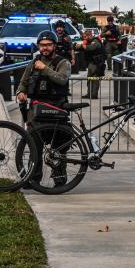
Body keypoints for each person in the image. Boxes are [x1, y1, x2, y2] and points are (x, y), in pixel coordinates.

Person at [16, 30, 71, 186]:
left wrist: (45, 69)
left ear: (54, 45)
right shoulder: (33, 63)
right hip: (36, 110)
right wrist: (20, 92)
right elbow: (23, 82)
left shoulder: (63, 62)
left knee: (59, 147)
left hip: (57, 108)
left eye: (48, 45)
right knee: (34, 146)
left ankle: (59, 179)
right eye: (42, 45)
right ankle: (32, 178)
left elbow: (62, 79)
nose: (45, 48)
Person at [75, 30, 105, 99]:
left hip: (97, 63)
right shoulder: (88, 42)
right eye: (83, 37)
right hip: (91, 63)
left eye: (85, 37)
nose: (84, 38)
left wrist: (82, 45)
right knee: (89, 78)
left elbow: (91, 48)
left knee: (95, 79)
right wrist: (78, 46)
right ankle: (89, 93)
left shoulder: (95, 41)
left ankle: (94, 94)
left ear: (90, 36)